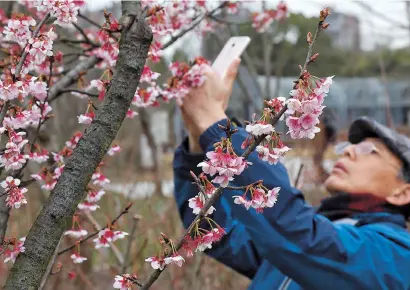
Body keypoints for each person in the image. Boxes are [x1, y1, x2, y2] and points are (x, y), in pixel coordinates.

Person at [173, 59, 410, 289]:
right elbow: (216, 234)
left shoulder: (396, 254)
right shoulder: (310, 236)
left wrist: (218, 129)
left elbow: (303, 240)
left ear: (403, 192)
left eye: (370, 151)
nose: (348, 152)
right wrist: (198, 144)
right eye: (347, 146)